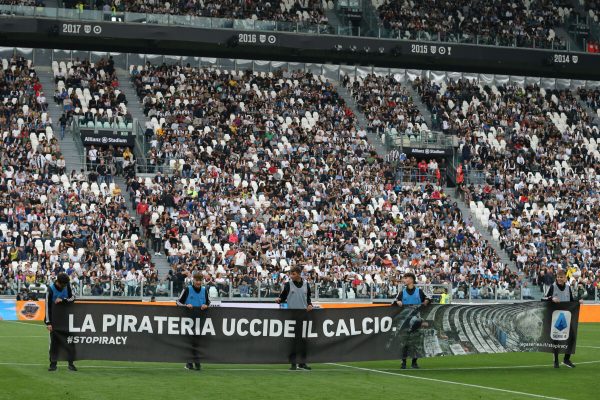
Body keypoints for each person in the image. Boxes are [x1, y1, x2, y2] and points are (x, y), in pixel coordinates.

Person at [275, 266, 313, 371]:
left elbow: (308, 298)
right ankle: (293, 363)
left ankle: (302, 363)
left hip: (303, 315)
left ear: (299, 274)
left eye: (293, 274)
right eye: (291, 274)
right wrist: (279, 299)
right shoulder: (288, 285)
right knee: (293, 340)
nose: (291, 276)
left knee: (303, 340)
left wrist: (310, 304)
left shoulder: (306, 285)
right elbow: (282, 298)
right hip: (291, 316)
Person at [543, 270, 583, 368]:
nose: (560, 279)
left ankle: (566, 359)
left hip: (566, 317)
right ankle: (556, 360)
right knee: (556, 339)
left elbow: (571, 301)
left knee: (572, 337)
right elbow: (544, 299)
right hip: (555, 318)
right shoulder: (553, 287)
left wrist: (578, 302)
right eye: (558, 277)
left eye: (562, 277)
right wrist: (551, 299)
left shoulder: (568, 288)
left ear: (565, 278)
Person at [393, 272, 431, 369]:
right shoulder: (402, 292)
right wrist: (398, 301)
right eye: (404, 278)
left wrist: (426, 301)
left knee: (415, 342)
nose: (404, 280)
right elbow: (394, 301)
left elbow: (428, 298)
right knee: (404, 343)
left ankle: (414, 362)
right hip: (404, 322)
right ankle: (404, 362)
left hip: (416, 321)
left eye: (406, 278)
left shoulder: (419, 291)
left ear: (411, 280)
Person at [176, 272, 210, 371]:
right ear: (193, 280)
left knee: (197, 343)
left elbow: (209, 302)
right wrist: (186, 305)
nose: (198, 282)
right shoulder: (187, 289)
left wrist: (206, 306)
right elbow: (178, 302)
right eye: (197, 280)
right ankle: (194, 362)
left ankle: (191, 363)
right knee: (190, 343)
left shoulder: (204, 290)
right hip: (188, 321)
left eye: (200, 280)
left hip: (201, 321)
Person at [45, 272, 76, 372]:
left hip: (66, 319)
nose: (65, 286)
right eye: (64, 284)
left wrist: (63, 300)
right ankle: (53, 364)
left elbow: (73, 298)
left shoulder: (67, 286)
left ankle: (71, 364)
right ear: (58, 282)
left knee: (69, 341)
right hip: (54, 320)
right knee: (54, 343)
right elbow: (47, 307)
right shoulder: (50, 290)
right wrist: (48, 323)